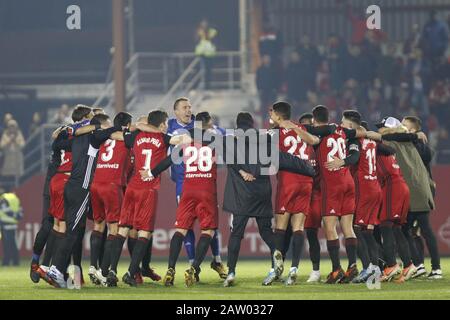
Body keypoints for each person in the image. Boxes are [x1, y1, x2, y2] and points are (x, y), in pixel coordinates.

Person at [96, 111, 189, 287]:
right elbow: (181, 145)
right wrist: (154, 171)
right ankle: (131, 272)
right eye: (166, 124)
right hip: (148, 189)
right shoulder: (164, 138)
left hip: (131, 187)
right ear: (161, 125)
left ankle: (112, 271)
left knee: (122, 229)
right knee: (144, 232)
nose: (167, 126)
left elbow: (115, 134)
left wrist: (138, 126)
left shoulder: (135, 136)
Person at [222, 112, 316, 287]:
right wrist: (308, 169)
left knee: (236, 234)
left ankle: (231, 272)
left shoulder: (230, 139)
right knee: (266, 232)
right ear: (252, 124)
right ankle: (276, 255)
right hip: (261, 194)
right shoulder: (264, 139)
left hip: (240, 195)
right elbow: (285, 158)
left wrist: (242, 171)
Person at [44, 114, 123, 288]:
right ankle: (56, 269)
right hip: (81, 188)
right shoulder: (95, 138)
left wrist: (68, 129)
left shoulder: (75, 141)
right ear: (97, 126)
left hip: (70, 187)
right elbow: (113, 129)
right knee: (72, 231)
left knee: (70, 230)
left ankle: (55, 269)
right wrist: (116, 126)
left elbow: (56, 143)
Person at [167, 97, 227, 280]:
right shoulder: (168, 126)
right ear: (175, 111)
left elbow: (222, 133)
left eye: (190, 107)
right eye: (184, 107)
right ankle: (194, 265)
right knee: (192, 227)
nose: (188, 111)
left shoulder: (199, 126)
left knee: (207, 226)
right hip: (183, 184)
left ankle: (216, 260)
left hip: (195, 182)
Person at [267, 102, 320, 286]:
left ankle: (275, 269)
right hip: (306, 181)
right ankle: (294, 269)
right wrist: (296, 129)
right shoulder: (301, 128)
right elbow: (315, 141)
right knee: (298, 227)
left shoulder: (275, 132)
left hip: (288, 181)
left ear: (278, 115)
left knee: (280, 227)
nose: (270, 114)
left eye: (272, 112)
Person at [326, 112, 382, 283]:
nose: (340, 125)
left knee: (356, 229)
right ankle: (376, 267)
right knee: (367, 231)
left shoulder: (354, 140)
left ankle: (367, 268)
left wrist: (341, 162)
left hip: (364, 188)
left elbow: (355, 156)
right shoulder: (373, 141)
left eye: (343, 123)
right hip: (375, 187)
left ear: (351, 127)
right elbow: (389, 147)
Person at [88, 112, 133, 284]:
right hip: (112, 186)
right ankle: (103, 271)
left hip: (96, 184)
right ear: (127, 125)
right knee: (114, 230)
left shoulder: (103, 137)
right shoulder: (126, 138)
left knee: (98, 225)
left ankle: (92, 266)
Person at [0, 190, 23, 266]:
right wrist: (17, 217)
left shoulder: (3, 199)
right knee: (12, 244)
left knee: (7, 245)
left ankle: (6, 262)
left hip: (5, 224)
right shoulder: (15, 198)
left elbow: (5, 210)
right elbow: (20, 212)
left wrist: (13, 216)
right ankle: (15, 261)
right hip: (13, 224)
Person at [195, 19, 217, 90]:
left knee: (208, 71)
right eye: (203, 24)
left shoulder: (212, 32)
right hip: (201, 54)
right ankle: (197, 85)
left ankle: (207, 87)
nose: (204, 25)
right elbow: (196, 40)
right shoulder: (199, 31)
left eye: (206, 24)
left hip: (210, 54)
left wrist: (206, 34)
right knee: (198, 70)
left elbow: (213, 40)